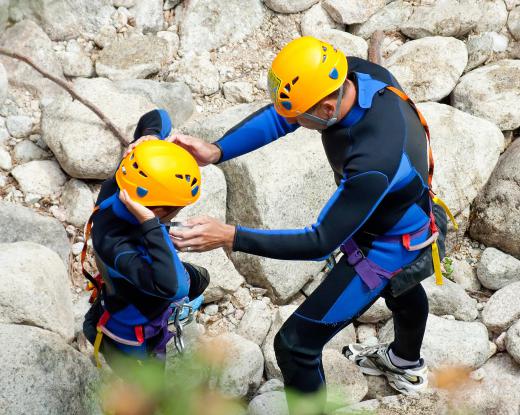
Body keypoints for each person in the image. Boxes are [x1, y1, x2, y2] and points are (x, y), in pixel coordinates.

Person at [149, 36, 451, 411]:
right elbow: (284, 114)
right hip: (398, 211)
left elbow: (319, 241)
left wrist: (230, 236)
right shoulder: (355, 74)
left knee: (294, 345)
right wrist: (218, 150)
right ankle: (405, 361)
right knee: (401, 291)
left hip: (389, 245)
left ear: (326, 108)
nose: (293, 121)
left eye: (301, 117)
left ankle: (395, 368)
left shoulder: (373, 159)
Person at [82, 109, 209, 373]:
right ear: (158, 210)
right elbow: (175, 287)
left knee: (200, 278)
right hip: (130, 329)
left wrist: (148, 138)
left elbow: (159, 115)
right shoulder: (116, 242)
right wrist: (153, 228)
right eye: (178, 208)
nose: (180, 212)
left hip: (131, 286)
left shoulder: (126, 183)